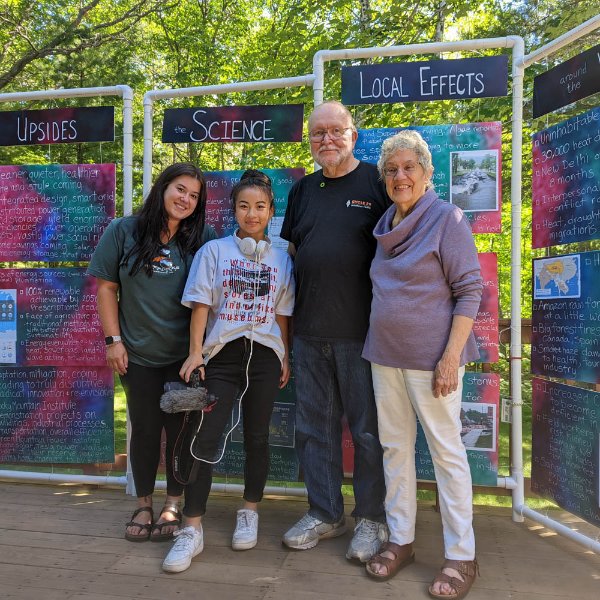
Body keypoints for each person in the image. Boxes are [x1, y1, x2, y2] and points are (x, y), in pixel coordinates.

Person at [362, 130, 482, 599]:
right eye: (392, 170)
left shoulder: (447, 218)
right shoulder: (385, 224)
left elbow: (469, 290)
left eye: (409, 167)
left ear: (428, 173)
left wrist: (451, 357)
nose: (400, 176)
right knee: (394, 450)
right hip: (384, 356)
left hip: (433, 362)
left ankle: (462, 555)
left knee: (446, 455)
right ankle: (401, 540)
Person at [161, 169, 294, 573]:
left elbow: (282, 312)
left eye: (260, 207)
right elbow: (201, 305)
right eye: (244, 206)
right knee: (206, 436)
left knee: (257, 436)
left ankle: (249, 511)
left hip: (266, 356)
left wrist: (285, 355)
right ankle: (191, 528)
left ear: (271, 211)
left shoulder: (282, 257)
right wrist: (195, 353)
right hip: (223, 355)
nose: (252, 214)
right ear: (233, 210)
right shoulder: (214, 251)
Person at [281, 100, 389, 562]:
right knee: (313, 430)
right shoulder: (302, 190)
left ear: (353, 135)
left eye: (335, 131)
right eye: (317, 133)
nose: (326, 139)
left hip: (364, 335)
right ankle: (325, 513)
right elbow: (291, 256)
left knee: (368, 433)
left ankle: (372, 518)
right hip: (308, 333)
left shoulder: (378, 183)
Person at [88, 163, 216, 542]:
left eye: (194, 196)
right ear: (162, 187)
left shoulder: (203, 238)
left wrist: (200, 352)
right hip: (137, 356)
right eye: (180, 189)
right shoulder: (122, 231)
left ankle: (172, 504)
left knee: (180, 435)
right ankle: (144, 504)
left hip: (184, 360)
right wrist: (113, 341)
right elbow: (106, 288)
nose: (186, 199)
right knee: (144, 431)